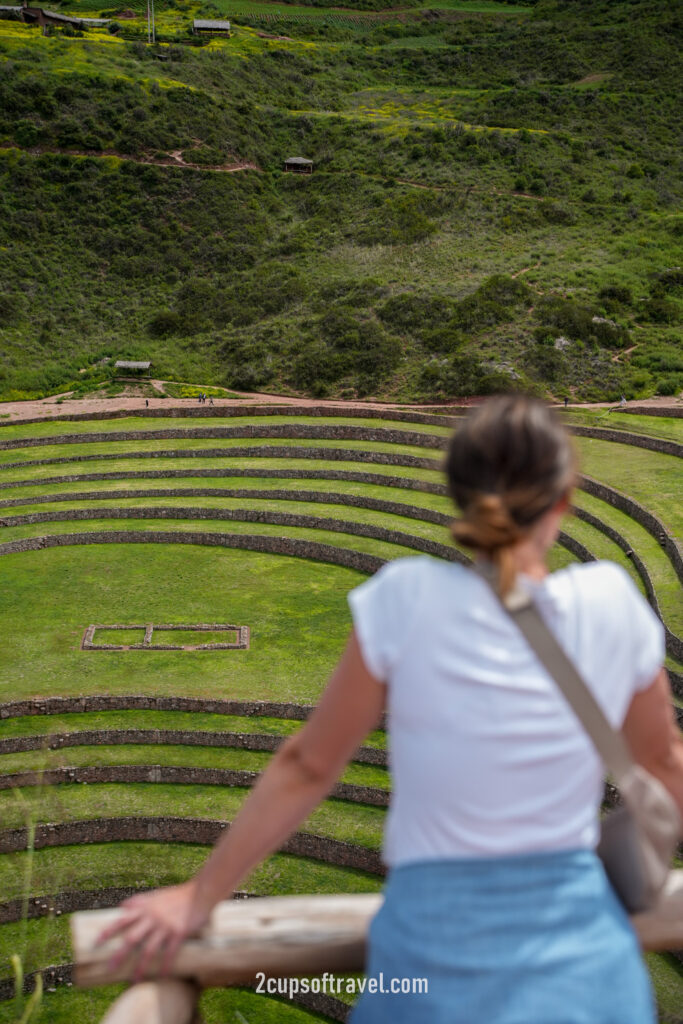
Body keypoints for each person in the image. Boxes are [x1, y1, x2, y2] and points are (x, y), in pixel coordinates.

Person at [98, 396, 683, 1022]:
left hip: (431, 965)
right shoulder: (610, 601)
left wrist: (199, 896)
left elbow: (308, 767)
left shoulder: (407, 598)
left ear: (458, 495)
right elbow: (665, 762)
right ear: (564, 498)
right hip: (590, 971)